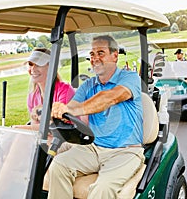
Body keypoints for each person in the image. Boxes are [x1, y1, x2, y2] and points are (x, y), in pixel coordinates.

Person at [48, 35, 145, 198]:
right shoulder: (88, 85)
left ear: (115, 56)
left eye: (101, 53)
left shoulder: (130, 78)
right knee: (58, 164)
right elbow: (72, 106)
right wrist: (60, 109)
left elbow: (110, 97)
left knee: (103, 188)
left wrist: (77, 110)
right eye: (92, 54)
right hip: (94, 147)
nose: (95, 58)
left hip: (125, 151)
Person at [0, 48, 75, 198]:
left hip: (65, 140)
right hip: (44, 139)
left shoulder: (64, 90)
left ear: (51, 66)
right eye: (30, 64)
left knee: (22, 136)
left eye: (38, 64)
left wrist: (19, 128)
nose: (33, 69)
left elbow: (54, 127)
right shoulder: (33, 96)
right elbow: (36, 127)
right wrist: (27, 126)